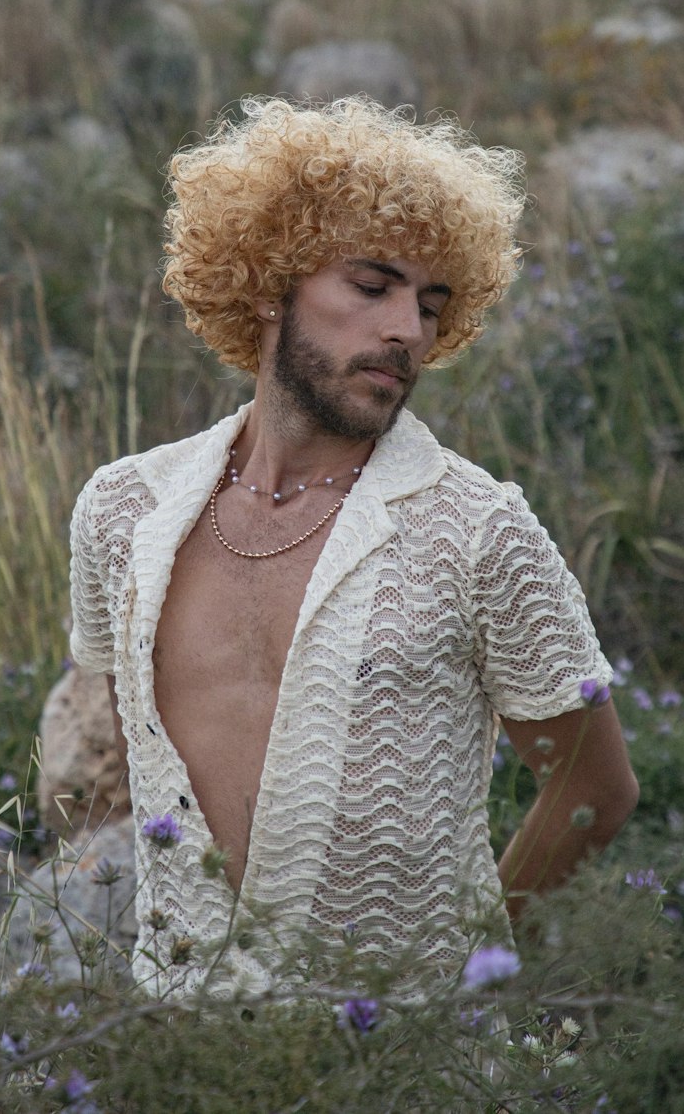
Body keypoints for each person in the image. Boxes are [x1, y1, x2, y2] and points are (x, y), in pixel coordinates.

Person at [68, 95, 638, 999]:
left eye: (431, 303)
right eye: (372, 288)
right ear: (266, 281)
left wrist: (460, 969)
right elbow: (141, 759)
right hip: (176, 1054)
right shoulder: (121, 513)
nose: (408, 330)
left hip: (399, 1060)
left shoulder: (478, 530)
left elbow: (595, 789)